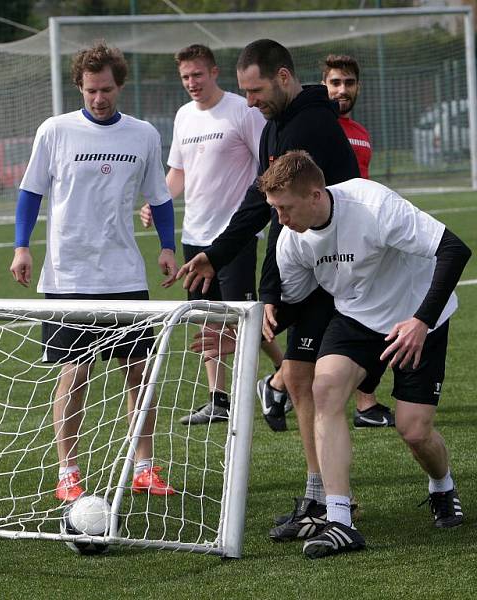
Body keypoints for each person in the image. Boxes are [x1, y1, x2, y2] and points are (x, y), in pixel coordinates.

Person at [175, 39, 361, 541]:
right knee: (300, 383)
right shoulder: (275, 128)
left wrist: (269, 288)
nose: (250, 101)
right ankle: (318, 496)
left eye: (255, 90)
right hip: (302, 277)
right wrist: (215, 255)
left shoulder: (313, 126)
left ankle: (337, 505)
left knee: (322, 389)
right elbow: (263, 207)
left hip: (334, 278)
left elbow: (285, 218)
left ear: (282, 76)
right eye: (244, 93)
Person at [261, 150, 469, 558]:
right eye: (275, 209)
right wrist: (252, 325)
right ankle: (340, 521)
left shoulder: (372, 204)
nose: (280, 220)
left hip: (417, 315)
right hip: (356, 318)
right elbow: (297, 303)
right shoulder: (292, 240)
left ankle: (442, 485)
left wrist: (421, 322)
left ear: (316, 195)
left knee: (413, 430)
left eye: (285, 208)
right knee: (326, 390)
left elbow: (454, 250)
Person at [9, 42, 178, 502]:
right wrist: (21, 247)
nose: (98, 98)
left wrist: (167, 247)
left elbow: (160, 197)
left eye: (105, 90)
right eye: (90, 91)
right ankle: (68, 471)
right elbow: (30, 194)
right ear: (79, 88)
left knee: (139, 372)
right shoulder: (55, 130)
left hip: (124, 274)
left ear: (119, 85)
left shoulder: (142, 134)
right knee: (74, 373)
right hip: (68, 276)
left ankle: (144, 466)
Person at [139, 43, 289, 429]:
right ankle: (218, 399)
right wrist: (157, 201)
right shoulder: (184, 116)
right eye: (185, 77)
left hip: (233, 237)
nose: (191, 83)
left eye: (197, 75)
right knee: (206, 319)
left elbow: (267, 163)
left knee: (242, 318)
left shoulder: (242, 110)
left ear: (214, 72)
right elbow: (177, 174)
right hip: (196, 234)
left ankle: (286, 375)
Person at [321, 54, 394, 429]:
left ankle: (367, 402)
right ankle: (281, 383)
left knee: (370, 311)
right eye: (335, 82)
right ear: (323, 85)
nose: (342, 90)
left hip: (362, 236)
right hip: (328, 241)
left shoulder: (361, 131)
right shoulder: (319, 126)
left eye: (348, 82)